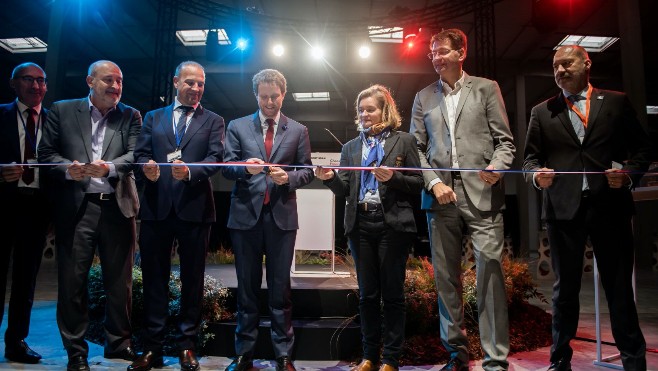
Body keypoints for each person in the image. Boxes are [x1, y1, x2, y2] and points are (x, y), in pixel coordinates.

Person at [523, 45, 651, 371]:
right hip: (562, 211)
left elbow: (643, 149)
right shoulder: (542, 111)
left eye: (567, 63)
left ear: (586, 63)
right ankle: (559, 362)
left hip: (610, 208)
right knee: (564, 292)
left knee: (619, 289)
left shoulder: (616, 102)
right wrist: (537, 176)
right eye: (555, 66)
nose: (560, 70)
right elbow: (529, 161)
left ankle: (634, 363)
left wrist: (629, 174)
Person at [409, 28, 515, 371]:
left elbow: (505, 143)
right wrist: (434, 182)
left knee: (491, 275)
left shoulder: (486, 88)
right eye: (433, 53)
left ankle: (495, 359)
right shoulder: (423, 96)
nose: (437, 58)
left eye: (442, 51)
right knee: (446, 280)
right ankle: (457, 355)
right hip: (440, 197)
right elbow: (416, 151)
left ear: (461, 53)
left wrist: (498, 166)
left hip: (483, 194)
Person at [37, 60, 141, 371]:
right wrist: (67, 169)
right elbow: (46, 155)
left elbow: (136, 154)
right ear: (90, 81)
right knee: (72, 283)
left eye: (120, 81)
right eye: (109, 79)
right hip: (76, 208)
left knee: (120, 283)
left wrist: (110, 167)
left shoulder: (131, 115)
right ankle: (76, 352)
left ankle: (118, 345)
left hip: (117, 208)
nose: (116, 86)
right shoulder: (61, 110)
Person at [315, 85, 423, 371]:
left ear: (384, 110)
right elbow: (344, 190)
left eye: (370, 109)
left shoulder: (405, 141)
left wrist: (393, 178)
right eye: (361, 110)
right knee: (367, 295)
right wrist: (328, 178)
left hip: (392, 226)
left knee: (393, 295)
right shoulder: (350, 147)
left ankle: (391, 359)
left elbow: (418, 184)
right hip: (360, 224)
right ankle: (369, 357)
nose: (364, 114)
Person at [129, 60, 224, 371]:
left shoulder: (213, 120)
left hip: (195, 209)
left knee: (192, 281)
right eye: (190, 83)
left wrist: (191, 171)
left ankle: (186, 346)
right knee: (154, 280)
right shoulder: (153, 117)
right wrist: (147, 168)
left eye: (200, 84)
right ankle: (152, 348)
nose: (196, 89)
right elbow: (140, 154)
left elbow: (215, 160)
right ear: (175, 82)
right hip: (157, 208)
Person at [222, 69, 313, 371]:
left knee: (280, 288)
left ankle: (282, 354)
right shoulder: (236, 126)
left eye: (275, 96)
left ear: (283, 94)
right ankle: (244, 353)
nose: (270, 102)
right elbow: (227, 165)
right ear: (255, 95)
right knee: (246, 288)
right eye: (264, 97)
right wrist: (244, 169)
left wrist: (288, 177)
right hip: (245, 217)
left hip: (281, 219)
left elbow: (307, 170)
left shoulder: (298, 130)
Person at [0, 62, 51, 364]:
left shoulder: (54, 120)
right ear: (13, 83)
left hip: (37, 206)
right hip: (4, 203)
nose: (35, 86)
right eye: (28, 80)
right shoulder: (1, 114)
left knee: (26, 278)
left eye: (41, 81)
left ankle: (17, 341)